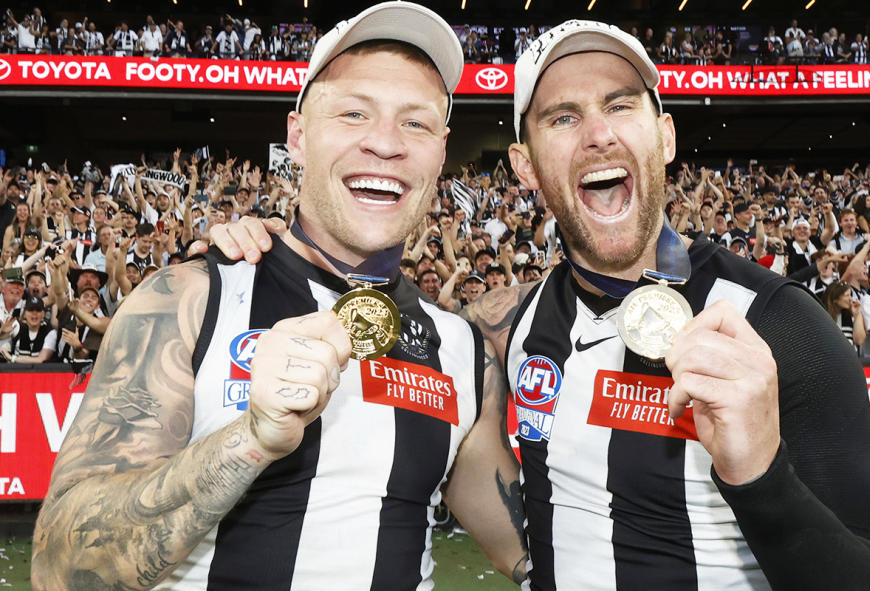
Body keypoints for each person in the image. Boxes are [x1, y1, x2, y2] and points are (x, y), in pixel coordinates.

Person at [210, 17, 870, 591]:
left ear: (664, 135)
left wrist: (761, 477)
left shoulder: (775, 321)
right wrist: (263, 243)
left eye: (621, 106)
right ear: (525, 167)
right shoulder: (506, 326)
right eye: (562, 118)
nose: (599, 134)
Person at [32, 3, 527, 589]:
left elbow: (529, 551)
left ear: (442, 152)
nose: (386, 144)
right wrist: (251, 438)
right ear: (297, 135)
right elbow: (62, 566)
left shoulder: (459, 346)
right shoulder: (189, 299)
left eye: (416, 123)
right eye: (353, 113)